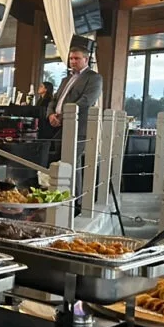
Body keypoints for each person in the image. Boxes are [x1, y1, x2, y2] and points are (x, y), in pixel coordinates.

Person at [45, 44, 103, 212]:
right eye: (71, 58)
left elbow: (87, 100)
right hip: (59, 126)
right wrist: (51, 115)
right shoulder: (66, 79)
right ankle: (65, 198)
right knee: (61, 161)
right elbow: (53, 100)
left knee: (71, 162)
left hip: (79, 126)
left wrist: (64, 116)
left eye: (77, 58)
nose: (73, 61)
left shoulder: (94, 78)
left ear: (86, 59)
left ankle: (74, 202)